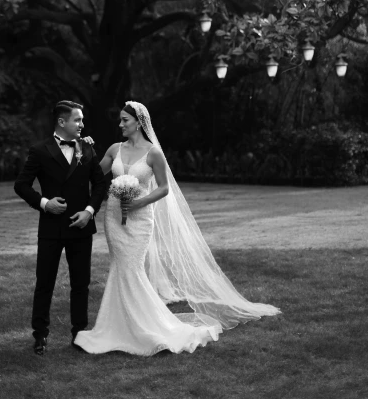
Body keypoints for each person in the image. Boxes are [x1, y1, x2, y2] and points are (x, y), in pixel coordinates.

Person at [74, 101, 281, 355]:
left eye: (124, 120)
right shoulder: (114, 149)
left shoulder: (153, 153)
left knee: (132, 268)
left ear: (138, 122)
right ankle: (117, 326)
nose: (120, 125)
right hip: (115, 217)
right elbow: (93, 174)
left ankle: (144, 326)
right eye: (120, 120)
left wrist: (138, 202)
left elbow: (163, 188)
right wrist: (82, 150)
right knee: (120, 266)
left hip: (140, 219)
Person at [14, 100, 106, 355]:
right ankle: (40, 335)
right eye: (77, 120)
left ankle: (79, 334)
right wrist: (45, 203)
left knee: (81, 284)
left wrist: (89, 211)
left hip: (81, 226)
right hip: (51, 227)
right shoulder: (40, 150)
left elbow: (100, 184)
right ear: (62, 122)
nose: (82, 124)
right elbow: (21, 185)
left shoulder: (87, 148)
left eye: (82, 120)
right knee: (44, 282)